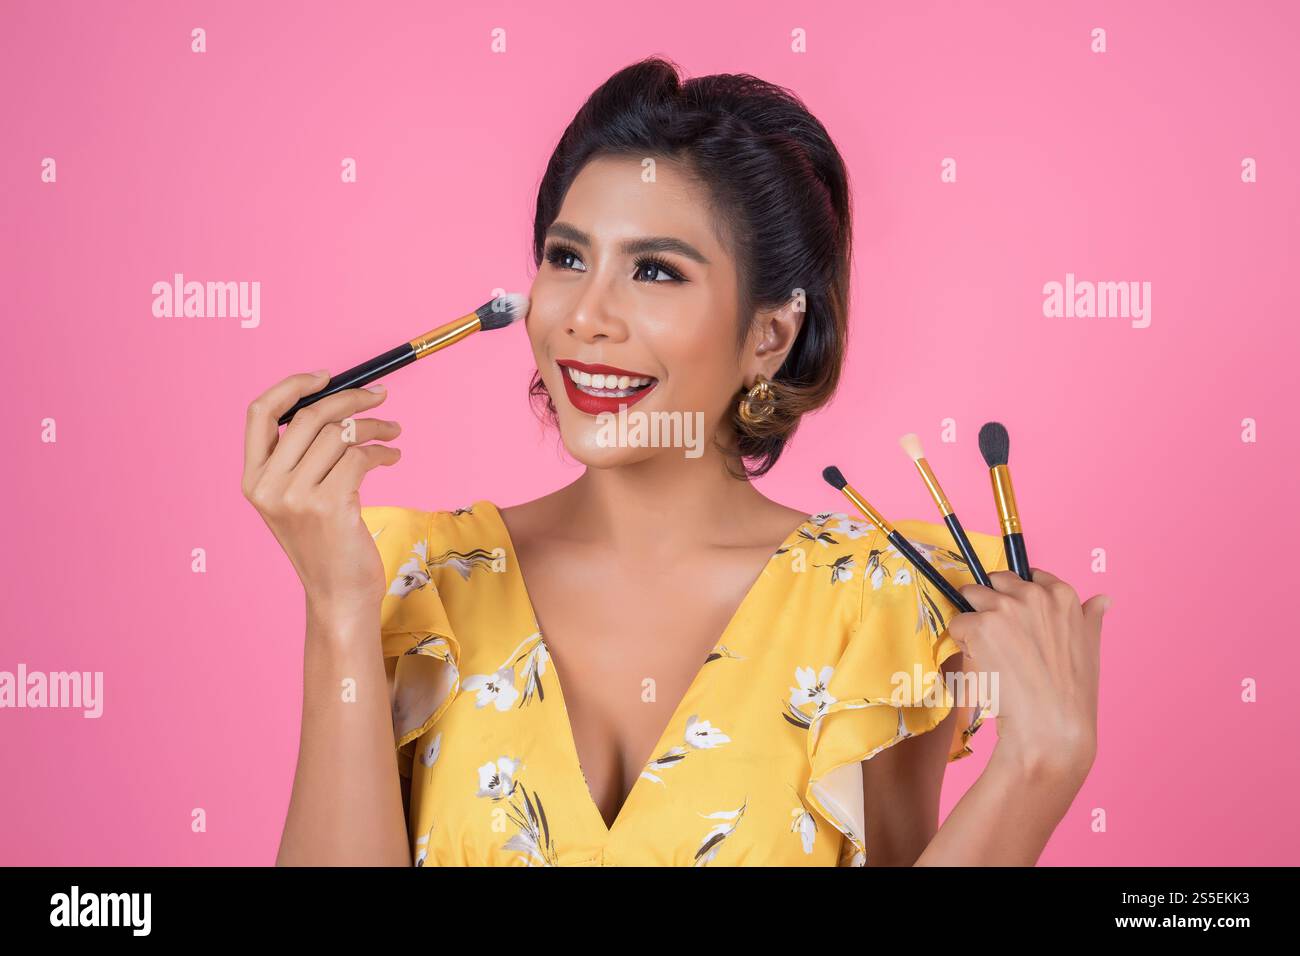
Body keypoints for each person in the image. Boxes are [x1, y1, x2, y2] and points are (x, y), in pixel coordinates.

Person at [243, 56, 1108, 866]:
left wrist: (1041, 766)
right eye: (567, 257)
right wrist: (338, 607)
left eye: (654, 271)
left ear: (770, 335)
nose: (585, 315)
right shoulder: (413, 582)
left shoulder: (878, 607)